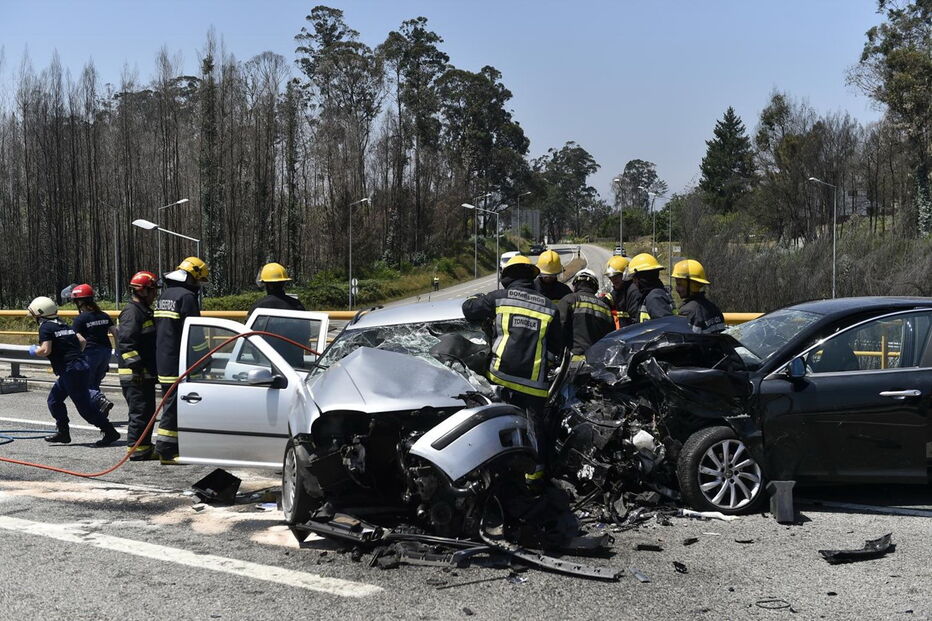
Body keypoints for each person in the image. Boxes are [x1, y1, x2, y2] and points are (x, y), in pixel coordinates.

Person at [462, 255, 565, 483]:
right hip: (533, 383)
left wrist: (476, 298)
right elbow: (558, 346)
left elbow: (468, 309)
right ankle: (536, 477)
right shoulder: (549, 307)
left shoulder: (498, 298)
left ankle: (499, 471)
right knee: (534, 429)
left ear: (506, 276)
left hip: (501, 377)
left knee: (497, 426)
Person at [26, 296, 120, 446]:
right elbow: (82, 341)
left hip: (71, 371)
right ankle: (63, 433)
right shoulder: (63, 324)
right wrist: (76, 355)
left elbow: (45, 350)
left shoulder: (45, 327)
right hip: (77, 367)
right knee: (54, 400)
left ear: (39, 313)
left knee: (85, 409)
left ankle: (109, 431)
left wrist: (34, 351)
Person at [155, 257, 209, 464]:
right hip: (179, 360)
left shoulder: (165, 294)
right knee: (173, 405)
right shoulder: (187, 297)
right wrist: (205, 357)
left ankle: (174, 446)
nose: (199, 286)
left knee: (170, 402)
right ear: (192, 276)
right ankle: (167, 451)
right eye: (199, 280)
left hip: (163, 358)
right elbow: (194, 332)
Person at [117, 271, 160, 461]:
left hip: (143, 373)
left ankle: (144, 446)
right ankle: (137, 451)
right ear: (143, 291)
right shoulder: (132, 312)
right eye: (153, 291)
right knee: (140, 412)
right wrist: (137, 369)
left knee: (146, 411)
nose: (155, 295)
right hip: (135, 374)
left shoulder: (143, 311)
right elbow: (126, 343)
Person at [249, 262, 308, 368]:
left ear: (268, 285)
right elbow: (305, 335)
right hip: (294, 365)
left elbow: (249, 336)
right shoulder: (296, 305)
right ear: (284, 283)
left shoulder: (258, 307)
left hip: (264, 364)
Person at [70, 284, 117, 416]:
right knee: (94, 383)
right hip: (106, 352)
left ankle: (100, 400)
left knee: (82, 384)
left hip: (90, 353)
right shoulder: (103, 315)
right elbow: (115, 332)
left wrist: (78, 355)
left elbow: (82, 340)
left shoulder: (80, 319)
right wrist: (118, 348)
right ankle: (99, 411)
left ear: (79, 302)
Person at [557, 269, 614, 363]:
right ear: (595, 287)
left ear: (575, 284)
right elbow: (610, 339)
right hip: (597, 364)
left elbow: (558, 329)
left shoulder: (570, 300)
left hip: (572, 363)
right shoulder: (605, 308)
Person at [672, 259, 726, 334]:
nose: (676, 289)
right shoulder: (714, 308)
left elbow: (685, 341)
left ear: (691, 285)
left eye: (679, 284)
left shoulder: (688, 312)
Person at [626, 253, 674, 323]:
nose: (634, 281)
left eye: (634, 278)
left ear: (642, 278)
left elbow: (665, 328)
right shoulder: (655, 293)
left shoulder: (654, 298)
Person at [601, 255, 634, 328]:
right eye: (610, 276)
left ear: (626, 274)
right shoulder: (618, 291)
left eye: (616, 276)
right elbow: (607, 300)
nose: (613, 279)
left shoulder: (633, 291)